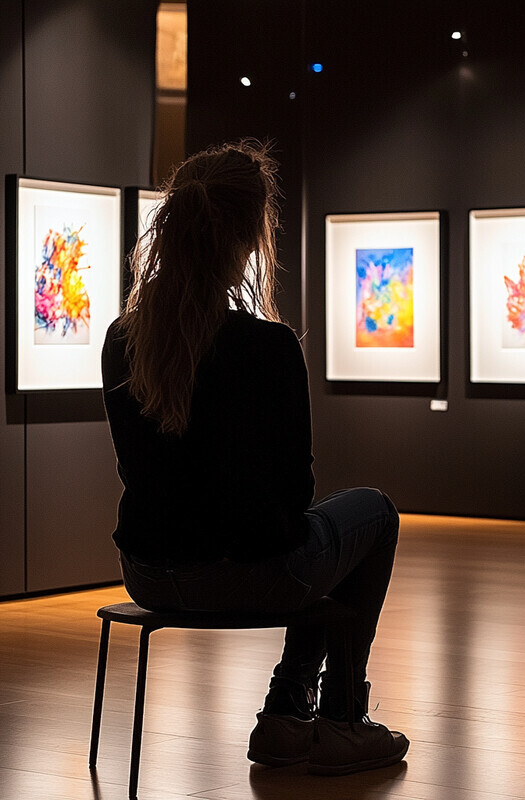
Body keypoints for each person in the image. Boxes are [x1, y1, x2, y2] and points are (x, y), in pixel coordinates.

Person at [101, 140, 409, 776]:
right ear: (247, 239)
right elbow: (295, 494)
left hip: (148, 572)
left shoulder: (122, 338)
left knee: (320, 534)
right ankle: (327, 716)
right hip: (245, 575)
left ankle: (291, 714)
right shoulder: (269, 347)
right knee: (371, 516)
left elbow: (139, 470)